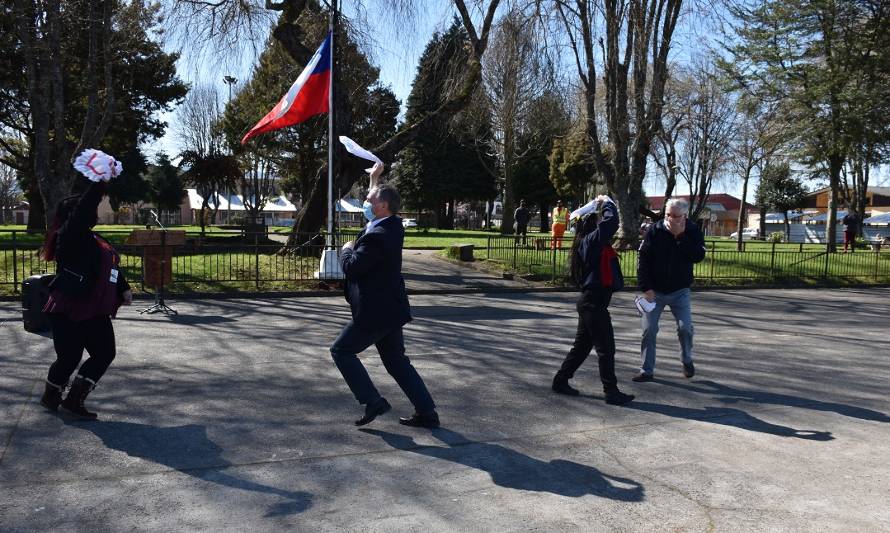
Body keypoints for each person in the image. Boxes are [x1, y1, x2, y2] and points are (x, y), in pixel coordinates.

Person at [331, 173, 439, 429]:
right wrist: (374, 178)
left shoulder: (379, 234)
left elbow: (353, 268)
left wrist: (346, 250)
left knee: (341, 351)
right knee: (396, 361)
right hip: (390, 309)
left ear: (382, 206)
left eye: (369, 200)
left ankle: (372, 401)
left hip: (375, 312)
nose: (364, 203)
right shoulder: (390, 224)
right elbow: (374, 201)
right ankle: (427, 412)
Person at [39, 178, 133, 420]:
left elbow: (109, 265)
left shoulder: (95, 239)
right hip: (68, 307)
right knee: (69, 358)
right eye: (90, 209)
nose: (94, 213)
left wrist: (124, 288)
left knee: (104, 353)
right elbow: (82, 210)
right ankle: (51, 395)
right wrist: (100, 182)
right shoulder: (69, 234)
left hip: (95, 308)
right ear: (76, 214)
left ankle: (74, 399)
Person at [551, 196, 635, 405]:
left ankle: (560, 380)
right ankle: (611, 391)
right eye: (597, 220)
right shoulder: (590, 241)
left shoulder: (592, 242)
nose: (600, 222)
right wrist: (606, 203)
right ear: (591, 224)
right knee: (606, 348)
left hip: (591, 302)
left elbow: (609, 228)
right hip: (593, 303)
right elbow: (611, 223)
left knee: (581, 347)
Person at [634, 198, 706, 382]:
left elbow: (698, 256)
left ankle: (686, 359)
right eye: (668, 215)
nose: (670, 219)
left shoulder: (692, 230)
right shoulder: (655, 230)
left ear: (684, 216)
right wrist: (646, 288)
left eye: (675, 216)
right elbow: (643, 259)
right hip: (655, 291)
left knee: (685, 329)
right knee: (649, 330)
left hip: (679, 290)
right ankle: (646, 370)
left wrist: (680, 236)